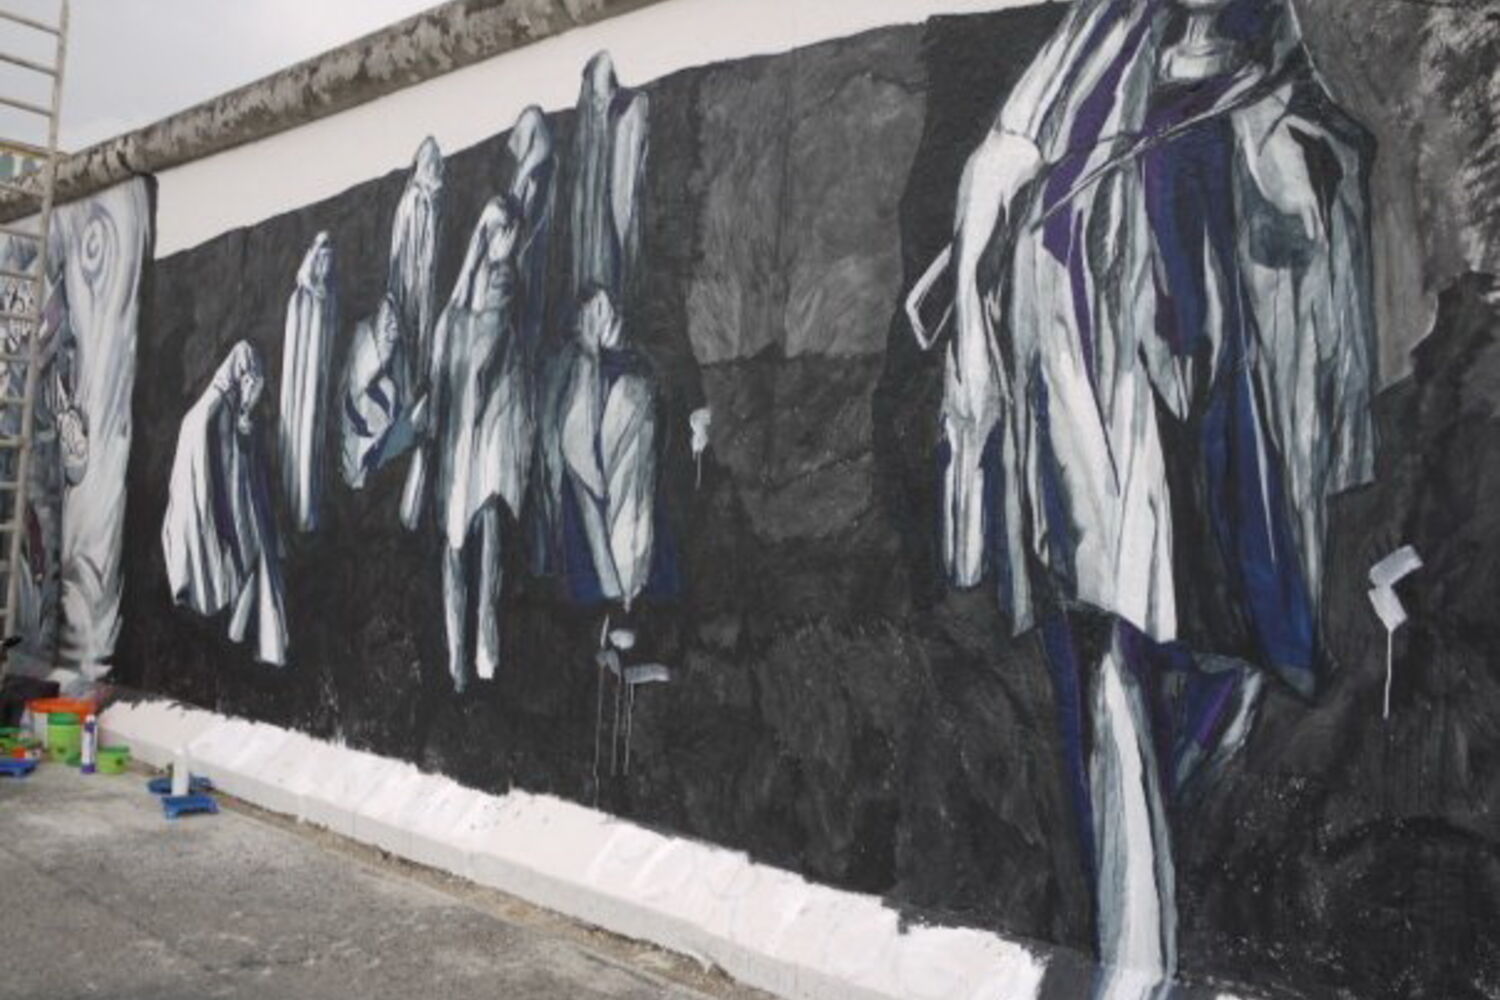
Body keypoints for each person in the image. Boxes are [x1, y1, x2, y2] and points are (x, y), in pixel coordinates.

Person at [907, 0, 1376, 994]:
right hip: (1096, 406)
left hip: (1217, 423)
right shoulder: (1103, 38)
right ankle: (1135, 959)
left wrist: (1279, 164)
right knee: (1112, 653)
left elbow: (1320, 200)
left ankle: (1150, 886)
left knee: (1233, 677)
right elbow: (998, 163)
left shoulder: (1274, 76)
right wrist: (975, 340)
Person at [404, 199, 527, 691]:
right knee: (457, 545)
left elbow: (493, 355)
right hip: (461, 441)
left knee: (486, 535)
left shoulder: (503, 289)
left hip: (492, 437)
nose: (509, 239)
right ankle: (460, 658)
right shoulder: (457, 312)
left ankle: (482, 653)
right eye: (502, 230)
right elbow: (444, 373)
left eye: (511, 232)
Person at [162, 341, 287, 666]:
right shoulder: (215, 407)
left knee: (253, 563)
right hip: (221, 506)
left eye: (256, 377)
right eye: (248, 376)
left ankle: (240, 635)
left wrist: (246, 418)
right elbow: (211, 452)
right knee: (242, 563)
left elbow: (249, 456)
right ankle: (234, 635)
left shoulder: (246, 408)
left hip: (241, 502)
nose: (253, 383)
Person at [279, 231, 336, 532]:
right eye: (322, 261)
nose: (326, 268)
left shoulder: (329, 299)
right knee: (301, 437)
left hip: (318, 382)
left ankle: (311, 506)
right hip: (302, 386)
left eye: (330, 263)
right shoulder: (300, 299)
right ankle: (298, 508)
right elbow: (296, 353)